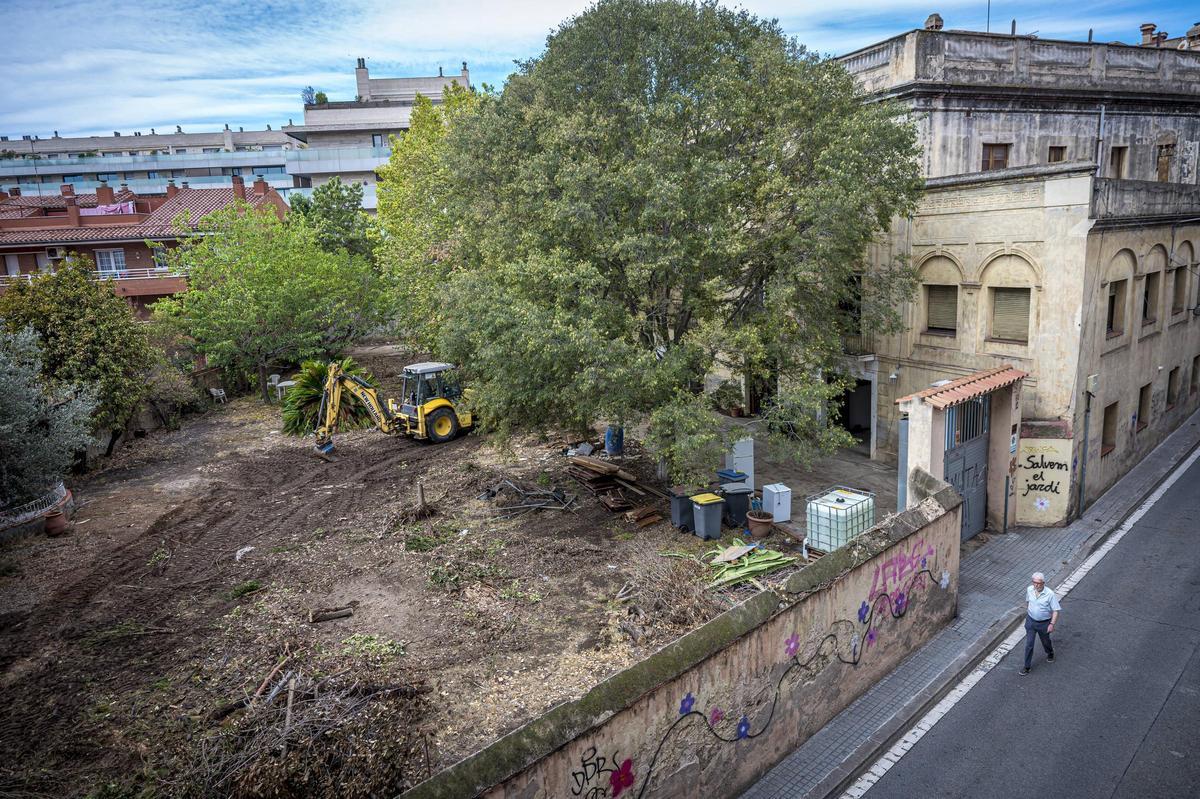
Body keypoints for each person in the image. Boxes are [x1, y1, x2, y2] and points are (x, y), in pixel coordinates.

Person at [1021, 572, 1060, 675]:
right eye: (1034, 582)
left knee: (1046, 642)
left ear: (1043, 583)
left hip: (1044, 624)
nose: (1036, 585)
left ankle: (1050, 652)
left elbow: (1056, 610)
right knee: (1029, 644)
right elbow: (1028, 602)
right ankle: (1027, 666)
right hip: (1031, 622)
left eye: (1039, 583)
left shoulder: (1050, 594)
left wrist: (1051, 624)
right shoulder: (1029, 589)